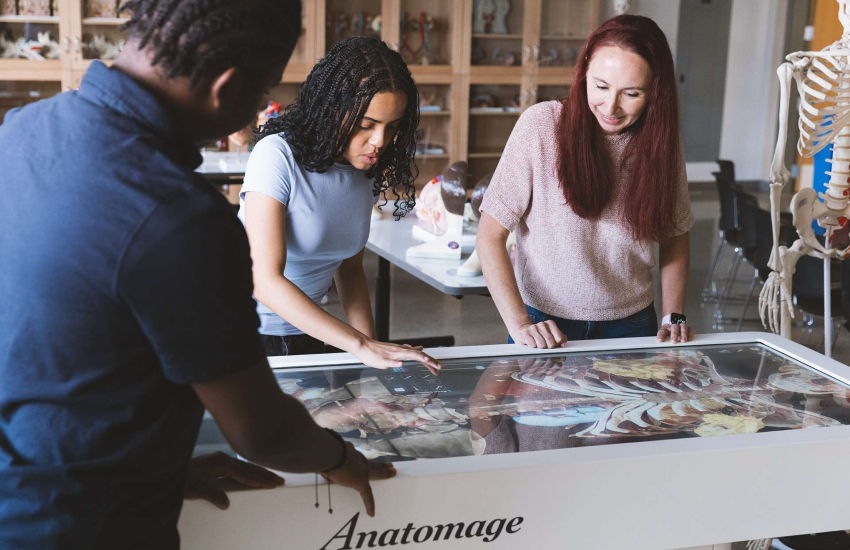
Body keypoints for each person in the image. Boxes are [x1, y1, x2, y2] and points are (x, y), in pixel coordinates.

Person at [0, 2, 394, 549]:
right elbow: (262, 432)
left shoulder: (22, 129)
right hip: (78, 525)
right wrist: (341, 458)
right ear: (226, 87)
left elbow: (63, 342)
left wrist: (160, 467)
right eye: (262, 94)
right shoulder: (182, 220)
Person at [476, 15, 694, 349]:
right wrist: (520, 324)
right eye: (601, 86)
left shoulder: (662, 142)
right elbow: (490, 236)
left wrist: (673, 315)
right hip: (543, 323)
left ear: (655, 92)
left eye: (632, 93)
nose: (611, 107)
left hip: (633, 324)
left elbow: (675, 234)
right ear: (584, 74)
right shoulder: (541, 126)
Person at [239, 36, 441, 373]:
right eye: (367, 125)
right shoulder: (276, 155)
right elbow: (263, 279)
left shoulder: (365, 169)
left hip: (310, 331)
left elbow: (349, 270)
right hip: (244, 335)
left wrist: (376, 356)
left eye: (392, 127)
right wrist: (360, 345)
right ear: (332, 111)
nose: (379, 141)